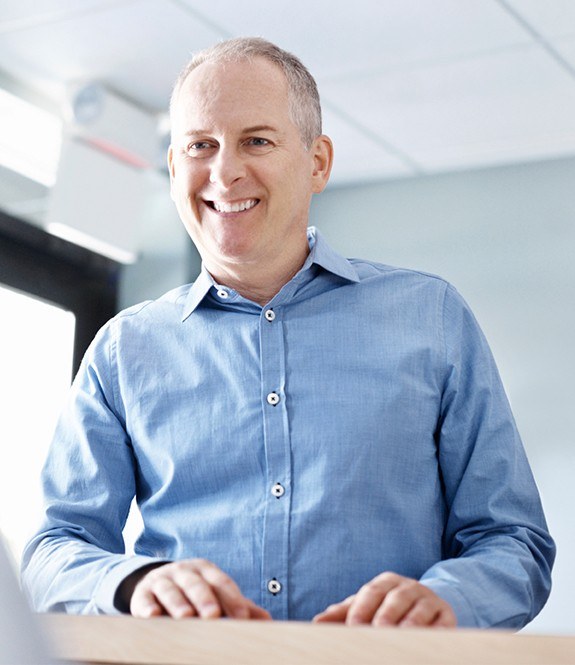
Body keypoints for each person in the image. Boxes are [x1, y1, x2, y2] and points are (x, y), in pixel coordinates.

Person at [22, 37, 554, 629]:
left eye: (257, 140)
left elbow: (515, 543)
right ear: (174, 168)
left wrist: (450, 600)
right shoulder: (123, 352)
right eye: (201, 145)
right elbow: (51, 553)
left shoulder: (430, 317)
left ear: (318, 162)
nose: (225, 172)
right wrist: (133, 582)